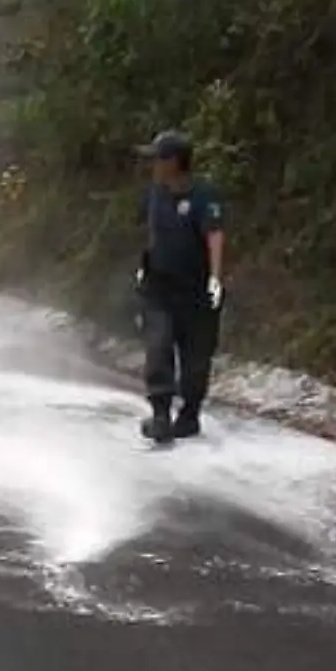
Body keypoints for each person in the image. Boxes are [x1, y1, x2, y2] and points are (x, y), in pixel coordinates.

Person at [134, 129, 226, 442]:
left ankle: (189, 414)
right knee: (158, 345)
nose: (153, 166)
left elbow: (214, 235)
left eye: (158, 159)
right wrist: (143, 267)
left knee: (195, 356)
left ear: (175, 162)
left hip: (195, 291)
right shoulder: (155, 194)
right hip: (159, 288)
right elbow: (151, 234)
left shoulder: (204, 196)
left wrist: (215, 277)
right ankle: (160, 414)